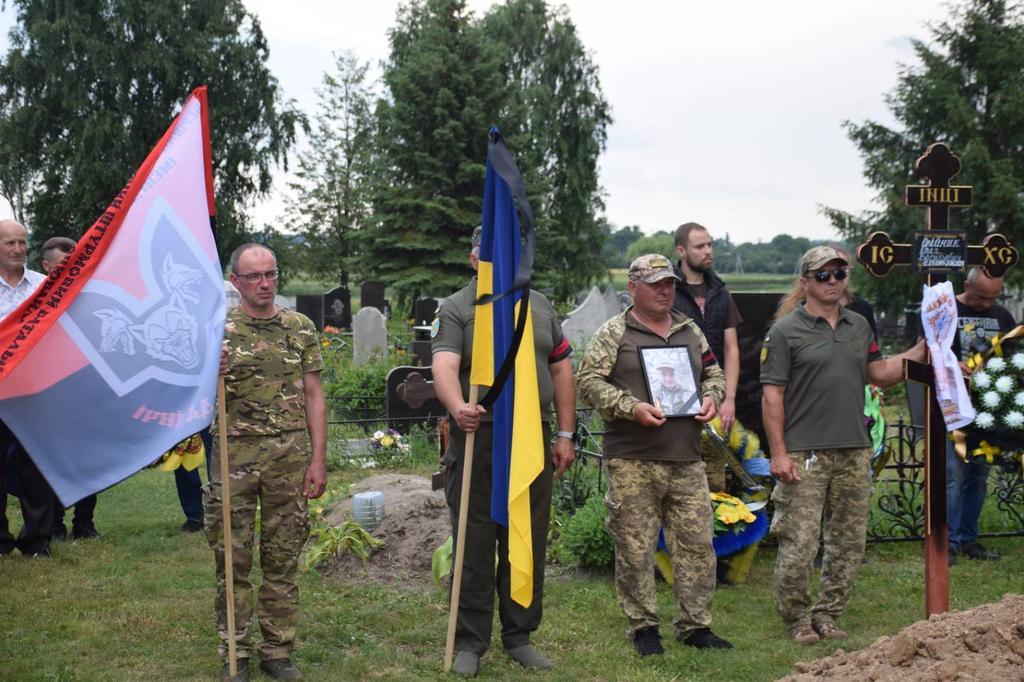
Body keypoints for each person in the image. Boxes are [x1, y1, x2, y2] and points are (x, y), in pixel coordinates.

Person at [761, 246, 925, 645]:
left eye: (839, 273)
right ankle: (796, 618)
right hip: (805, 453)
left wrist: (919, 352)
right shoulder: (785, 332)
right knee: (800, 543)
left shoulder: (859, 326)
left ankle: (828, 614)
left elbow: (877, 373)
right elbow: (772, 397)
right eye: (823, 275)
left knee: (848, 543)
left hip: (854, 449)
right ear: (805, 284)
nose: (833, 281)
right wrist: (779, 453)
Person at [431, 226, 576, 677]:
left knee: (525, 539)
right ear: (475, 260)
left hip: (532, 435)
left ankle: (519, 635)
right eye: (495, 254)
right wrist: (458, 408)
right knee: (474, 541)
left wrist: (566, 434)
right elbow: (445, 365)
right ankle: (470, 642)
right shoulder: (458, 307)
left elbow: (563, 369)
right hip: (481, 436)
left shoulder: (539, 305)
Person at [578, 253, 732, 656]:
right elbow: (588, 381)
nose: (666, 291)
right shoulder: (616, 331)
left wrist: (713, 397)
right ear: (633, 288)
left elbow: (713, 373)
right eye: (656, 284)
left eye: (670, 284)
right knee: (635, 546)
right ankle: (644, 626)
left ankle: (696, 625)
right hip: (633, 459)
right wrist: (632, 408)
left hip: (685, 457)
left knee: (697, 545)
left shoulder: (688, 330)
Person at [204, 244, 327, 682]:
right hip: (233, 456)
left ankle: (277, 650)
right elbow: (192, 401)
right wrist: (206, 373)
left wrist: (318, 459)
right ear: (235, 281)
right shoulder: (216, 330)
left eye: (270, 274)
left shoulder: (300, 327)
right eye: (253, 276)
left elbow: (314, 395)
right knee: (232, 559)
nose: (264, 283)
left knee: (282, 556)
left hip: (288, 458)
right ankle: (234, 654)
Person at [947, 267, 1016, 563]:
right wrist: (953, 364)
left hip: (988, 411)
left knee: (977, 476)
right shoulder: (947, 310)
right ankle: (946, 543)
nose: (988, 304)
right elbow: (928, 350)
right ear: (966, 286)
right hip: (953, 406)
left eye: (994, 297)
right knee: (953, 475)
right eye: (981, 297)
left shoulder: (1002, 316)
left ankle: (968, 539)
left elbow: (1014, 354)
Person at [39, 237, 102, 541]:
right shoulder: (35, 303)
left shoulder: (89, 298)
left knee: (88, 459)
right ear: (46, 266)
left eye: (75, 264)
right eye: (63, 266)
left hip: (85, 389)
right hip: (48, 394)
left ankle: (84, 522)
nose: (70, 271)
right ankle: (53, 524)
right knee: (51, 460)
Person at [0, 219, 56, 558]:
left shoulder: (44, 285)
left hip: (35, 390)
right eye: (10, 243)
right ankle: (1, 542)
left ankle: (38, 541)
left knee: (35, 467)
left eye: (22, 243)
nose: (18, 250)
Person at [672, 222, 742, 490]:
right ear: (681, 251)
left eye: (710, 244)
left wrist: (729, 398)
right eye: (700, 246)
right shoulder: (669, 291)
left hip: (716, 398)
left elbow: (731, 349)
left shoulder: (720, 292)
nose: (708, 251)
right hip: (677, 400)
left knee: (714, 480)